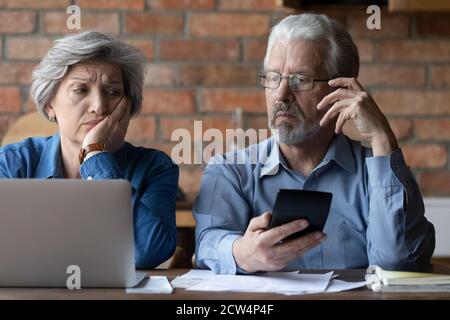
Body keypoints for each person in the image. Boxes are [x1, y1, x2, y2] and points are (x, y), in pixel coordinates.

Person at [193, 14, 435, 274]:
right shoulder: (231, 170)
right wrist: (240, 253)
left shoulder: (374, 173)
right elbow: (207, 243)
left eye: (300, 79)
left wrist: (382, 138)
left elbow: (398, 262)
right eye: (274, 78)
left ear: (340, 90)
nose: (281, 95)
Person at [0, 31, 178, 269]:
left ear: (128, 106)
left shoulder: (155, 168)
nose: (99, 106)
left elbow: (147, 252)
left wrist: (96, 155)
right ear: (49, 104)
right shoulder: (12, 164)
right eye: (81, 90)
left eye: (113, 92)